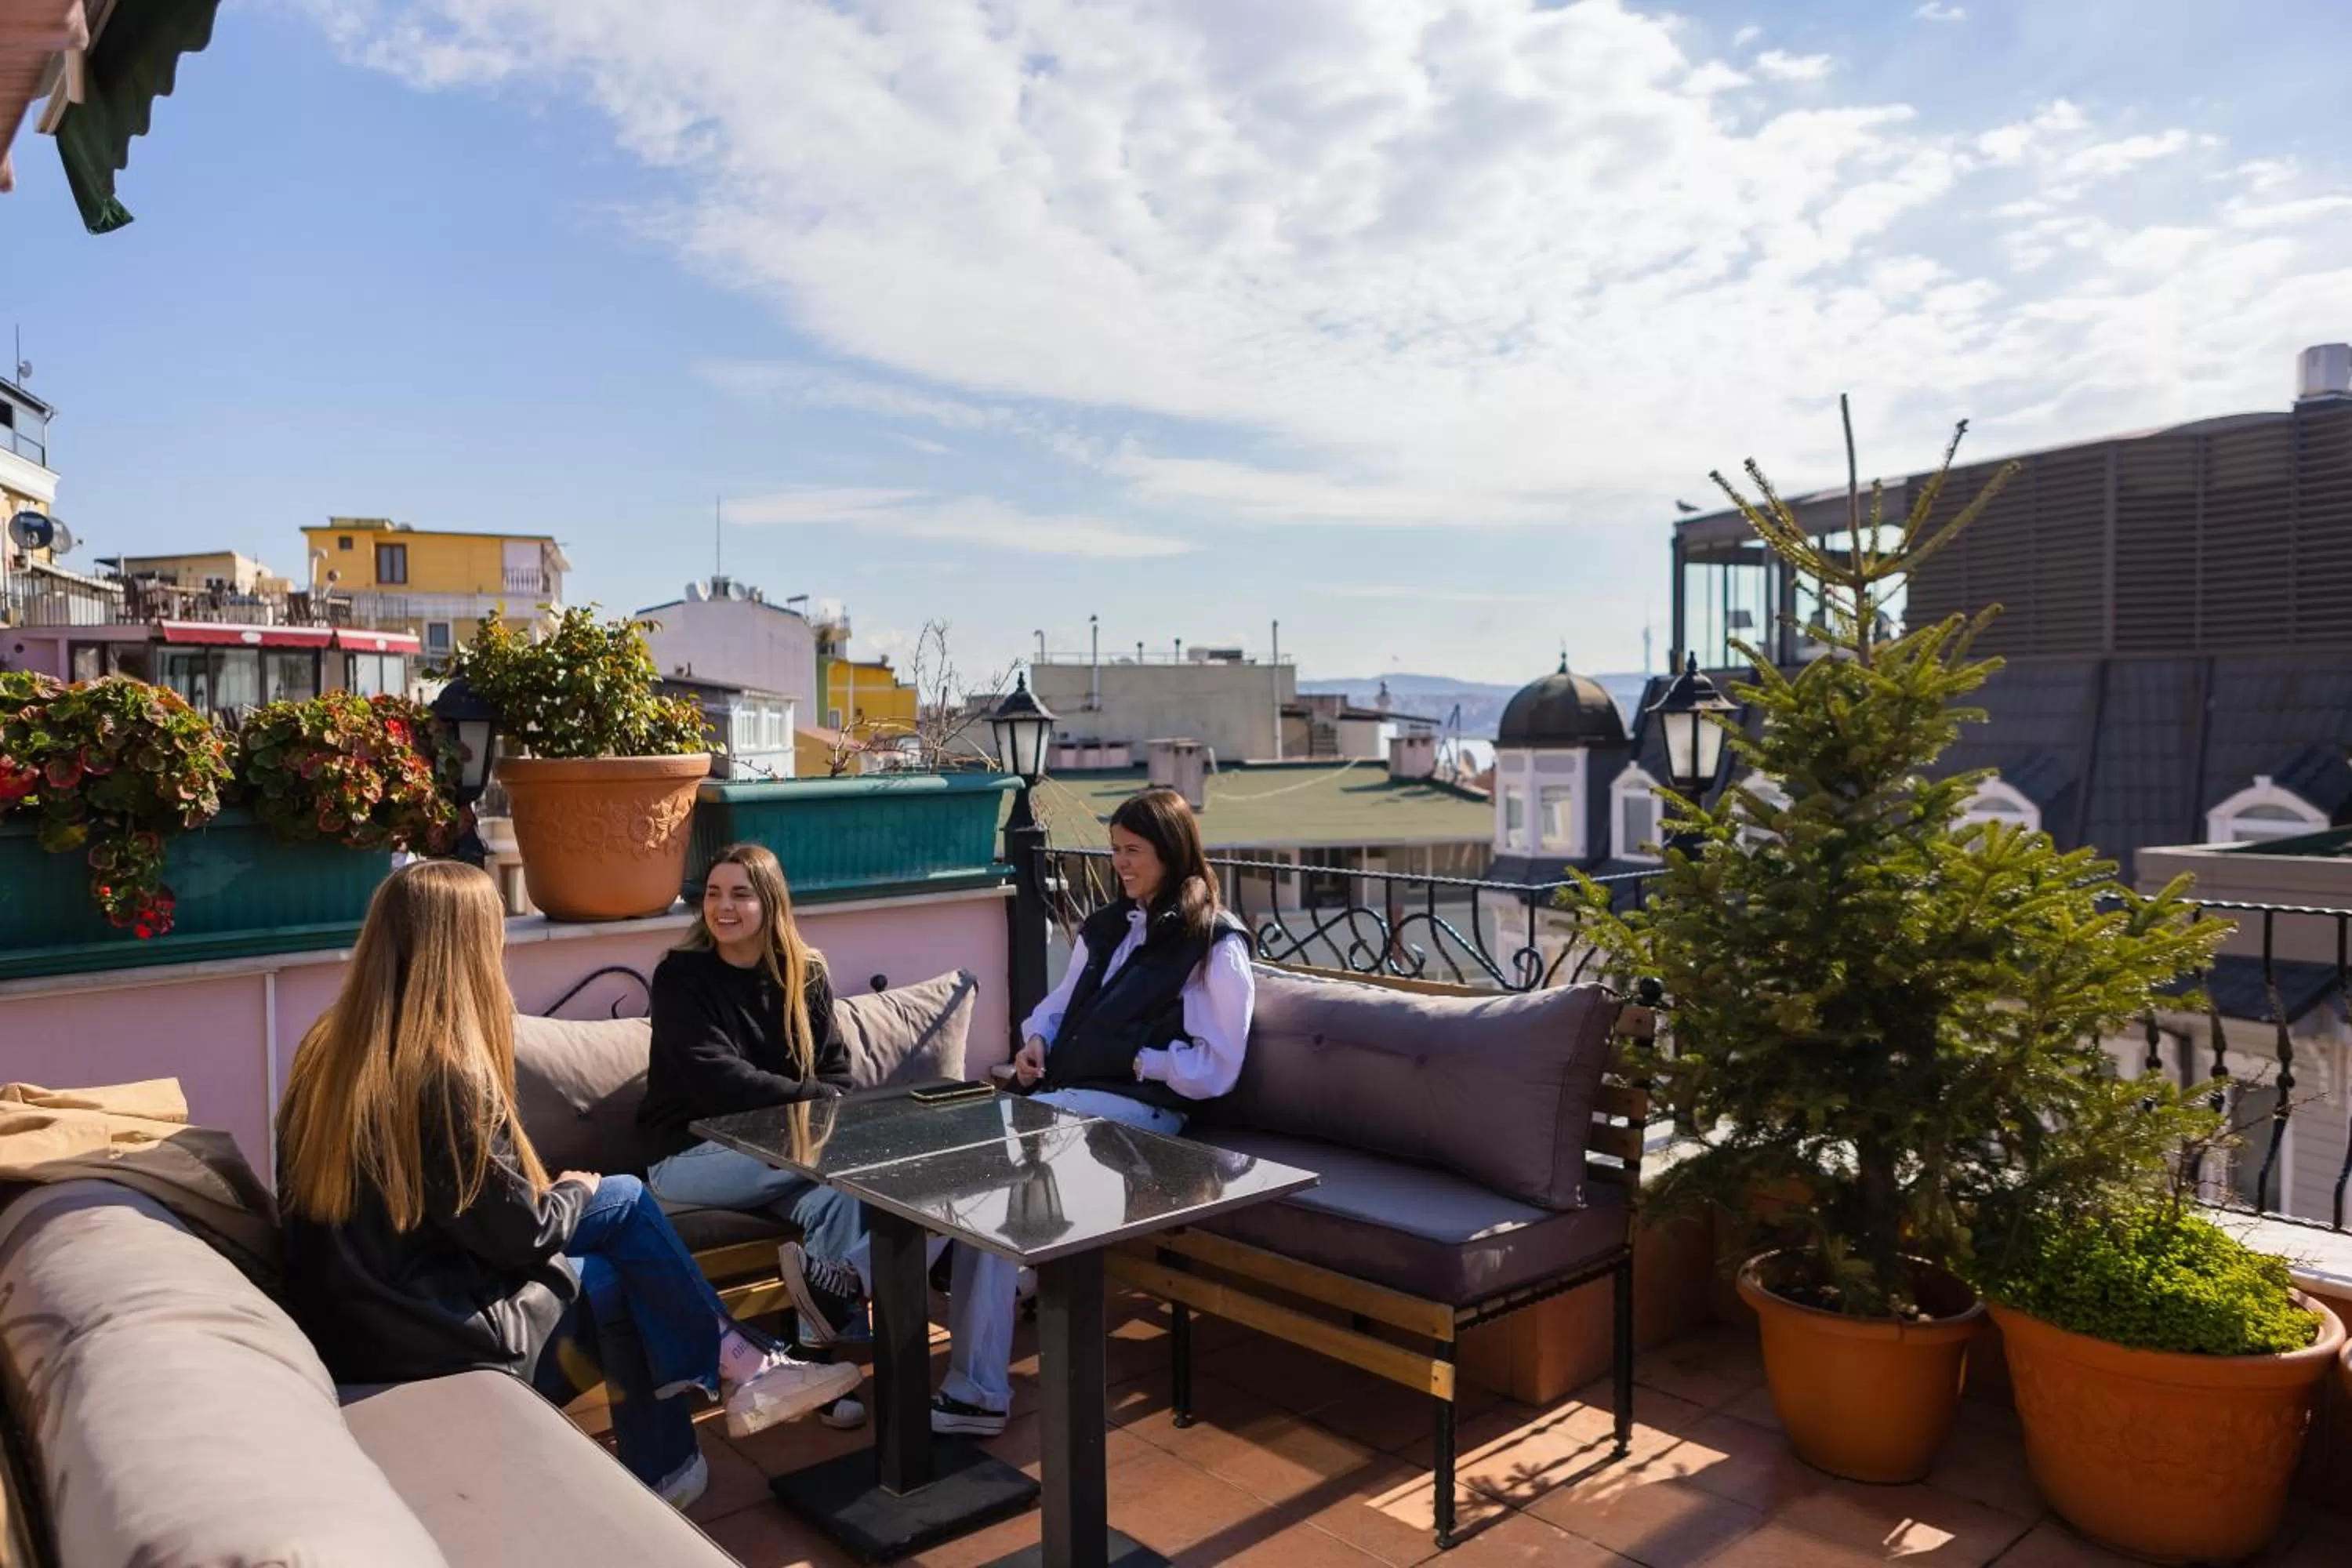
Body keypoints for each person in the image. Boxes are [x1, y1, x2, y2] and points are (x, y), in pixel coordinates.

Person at [278, 860, 860, 1513]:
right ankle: (711, 1408)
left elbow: (452, 1208)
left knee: (623, 1223)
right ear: (468, 947)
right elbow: (518, 1235)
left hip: (363, 1316)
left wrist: (561, 1195)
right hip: (438, 1325)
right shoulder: (445, 1072)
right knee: (622, 1246)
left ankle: (711, 1408)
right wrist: (573, 1193)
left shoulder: (326, 1048)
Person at [778, 787, 1254, 1436]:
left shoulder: (1214, 944)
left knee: (984, 1161)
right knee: (987, 1199)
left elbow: (1218, 1066)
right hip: (1065, 1106)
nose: (1119, 863)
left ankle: (854, 1282)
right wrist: (1037, 1042)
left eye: (1132, 851)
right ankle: (975, 1394)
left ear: (1172, 852)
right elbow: (1058, 1007)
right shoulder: (1109, 927)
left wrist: (1139, 1061)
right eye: (1115, 849)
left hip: (1141, 1120)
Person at [636, 841, 869, 1426]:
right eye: (714, 893)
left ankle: (814, 1370)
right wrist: (816, 1107)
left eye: (740, 894)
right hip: (688, 1158)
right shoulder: (680, 976)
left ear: (770, 903)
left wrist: (817, 1110)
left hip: (780, 1155)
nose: (723, 907)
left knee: (840, 1198)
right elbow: (717, 1078)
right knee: (843, 1157)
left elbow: (838, 1073)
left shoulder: (804, 975)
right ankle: (887, 1290)